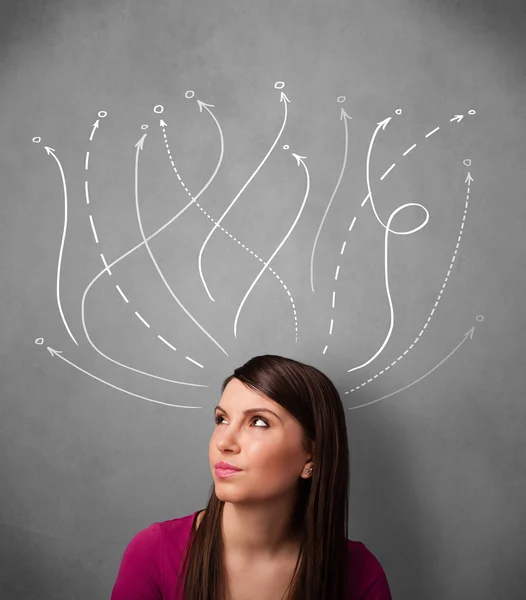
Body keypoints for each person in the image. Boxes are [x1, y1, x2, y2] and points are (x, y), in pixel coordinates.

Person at [111, 354, 392, 599]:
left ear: (311, 456)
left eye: (258, 422)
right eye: (222, 419)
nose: (225, 442)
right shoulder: (154, 554)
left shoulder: (359, 575)